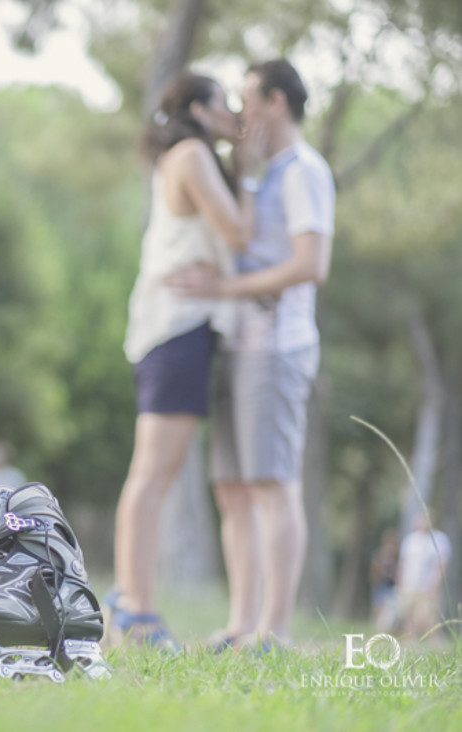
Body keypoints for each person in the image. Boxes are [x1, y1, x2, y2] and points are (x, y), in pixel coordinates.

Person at [167, 59, 336, 651]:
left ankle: (276, 630)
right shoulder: (263, 176)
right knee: (233, 490)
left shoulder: (303, 172)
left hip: (277, 349)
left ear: (277, 105)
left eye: (248, 101)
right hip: (235, 345)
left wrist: (222, 289)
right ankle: (241, 626)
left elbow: (311, 266)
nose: (239, 115)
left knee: (272, 485)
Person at [108, 71, 261, 648]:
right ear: (199, 109)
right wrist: (251, 168)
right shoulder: (194, 153)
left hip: (178, 329)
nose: (232, 113)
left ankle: (131, 602)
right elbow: (239, 233)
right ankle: (136, 609)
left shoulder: (188, 154)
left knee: (156, 474)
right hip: (176, 329)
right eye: (225, 103)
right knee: (152, 474)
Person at [396, 512, 451, 640]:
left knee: (427, 617)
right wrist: (400, 583)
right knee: (408, 615)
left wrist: (434, 585)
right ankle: (409, 642)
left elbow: (441, 565)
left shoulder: (439, 539)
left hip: (427, 585)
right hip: (408, 584)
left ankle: (435, 642)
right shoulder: (410, 540)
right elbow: (403, 563)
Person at [370, 527, 400, 632]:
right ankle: (378, 629)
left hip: (391, 586)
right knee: (379, 608)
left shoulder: (396, 557)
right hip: (382, 584)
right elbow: (374, 571)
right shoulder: (380, 555)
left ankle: (388, 630)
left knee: (390, 611)